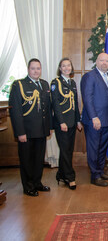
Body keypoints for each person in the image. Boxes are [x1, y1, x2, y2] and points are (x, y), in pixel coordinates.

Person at [9, 58, 51, 197]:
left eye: (38, 68)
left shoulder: (44, 84)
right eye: (33, 68)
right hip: (26, 131)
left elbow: (47, 108)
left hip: (41, 130)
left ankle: (37, 183)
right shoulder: (19, 85)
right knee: (27, 160)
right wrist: (20, 132)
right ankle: (28, 186)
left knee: (39, 159)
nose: (36, 71)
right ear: (28, 69)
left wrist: (48, 127)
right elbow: (15, 111)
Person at [81, 52, 108, 187]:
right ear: (96, 61)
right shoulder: (89, 77)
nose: (104, 63)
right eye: (102, 60)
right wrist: (94, 117)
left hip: (107, 119)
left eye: (107, 61)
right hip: (95, 120)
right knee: (94, 148)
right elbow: (87, 99)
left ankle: (100, 171)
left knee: (102, 148)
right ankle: (95, 176)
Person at [51, 58, 82, 190]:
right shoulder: (56, 82)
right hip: (61, 123)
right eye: (63, 66)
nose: (66, 68)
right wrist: (61, 121)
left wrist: (78, 120)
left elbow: (75, 103)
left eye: (68, 65)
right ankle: (70, 177)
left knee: (68, 150)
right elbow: (56, 105)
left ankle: (61, 174)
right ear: (60, 68)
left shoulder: (72, 82)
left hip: (71, 122)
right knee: (64, 150)